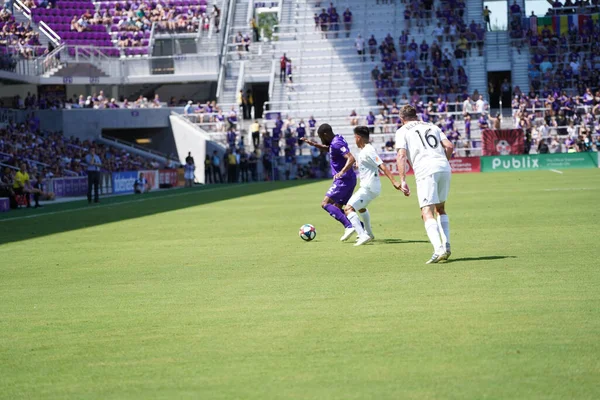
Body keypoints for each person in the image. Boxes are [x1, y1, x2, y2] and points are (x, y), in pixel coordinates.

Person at [395, 105, 454, 264]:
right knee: (440, 208)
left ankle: (438, 249)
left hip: (425, 170)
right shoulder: (432, 125)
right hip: (443, 166)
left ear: (402, 119)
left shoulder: (403, 130)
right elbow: (449, 146)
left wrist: (403, 180)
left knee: (426, 211)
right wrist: (443, 162)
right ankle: (446, 244)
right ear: (416, 115)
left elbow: (401, 155)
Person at [343, 126, 402, 246]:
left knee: (348, 209)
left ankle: (363, 235)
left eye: (355, 137)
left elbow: (382, 165)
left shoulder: (369, 150)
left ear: (358, 138)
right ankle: (369, 233)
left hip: (369, 188)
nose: (354, 139)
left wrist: (394, 181)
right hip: (369, 186)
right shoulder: (364, 151)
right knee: (361, 207)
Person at [300, 124, 358, 241]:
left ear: (325, 134)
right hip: (349, 179)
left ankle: (349, 226)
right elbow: (330, 149)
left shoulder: (336, 143)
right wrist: (314, 144)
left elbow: (351, 158)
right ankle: (361, 228)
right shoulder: (336, 141)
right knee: (340, 208)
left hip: (343, 180)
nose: (321, 139)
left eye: (321, 137)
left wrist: (341, 172)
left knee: (325, 204)